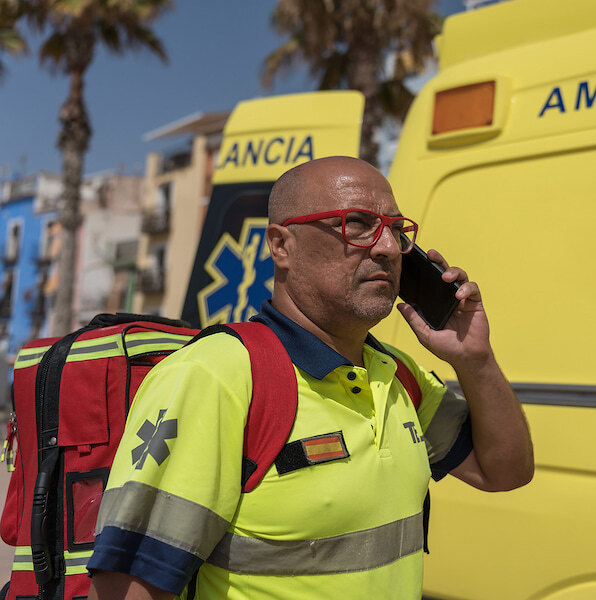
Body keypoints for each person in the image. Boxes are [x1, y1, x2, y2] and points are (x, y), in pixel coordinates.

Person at [87, 156, 534, 600]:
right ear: (281, 246)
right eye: (356, 223)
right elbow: (126, 590)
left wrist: (475, 360)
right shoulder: (214, 375)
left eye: (396, 230)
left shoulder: (398, 375)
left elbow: (505, 471)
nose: (386, 248)